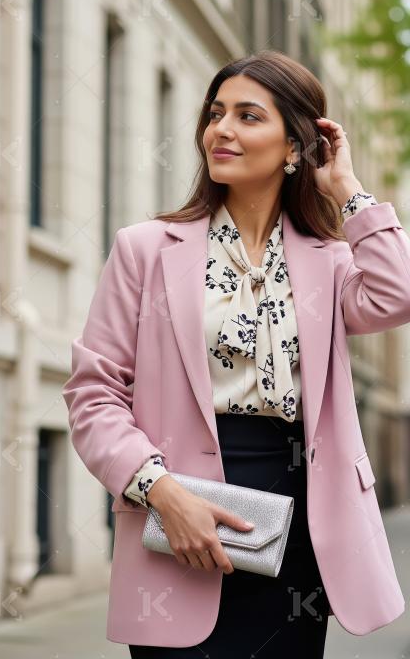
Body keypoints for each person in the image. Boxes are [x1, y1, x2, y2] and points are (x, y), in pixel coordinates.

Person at [63, 51, 409, 657]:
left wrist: (347, 189)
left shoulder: (328, 262)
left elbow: (397, 294)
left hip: (301, 520)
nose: (221, 129)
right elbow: (94, 395)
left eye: (249, 116)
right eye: (216, 113)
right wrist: (162, 492)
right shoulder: (145, 250)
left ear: (296, 147)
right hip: (178, 512)